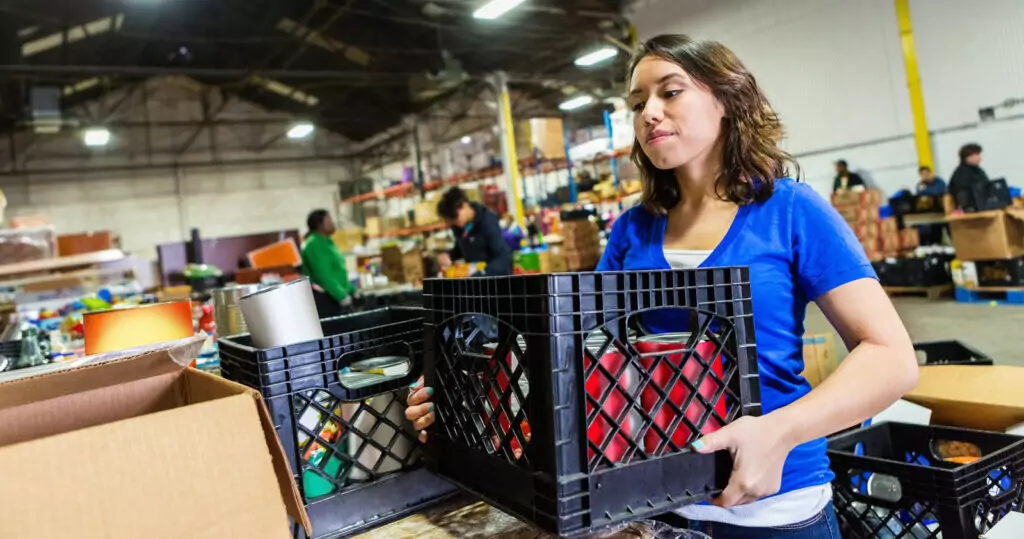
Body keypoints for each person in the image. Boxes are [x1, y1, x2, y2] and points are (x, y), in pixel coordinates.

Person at [408, 34, 918, 537]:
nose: (649, 112)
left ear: (726, 100)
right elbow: (581, 357)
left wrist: (778, 432)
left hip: (773, 509)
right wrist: (465, 399)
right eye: (637, 103)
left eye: (670, 92)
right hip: (650, 505)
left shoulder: (788, 211)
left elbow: (891, 358)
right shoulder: (635, 229)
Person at [435, 187, 512, 276]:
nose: (454, 223)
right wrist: (449, 256)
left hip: (494, 279)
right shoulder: (458, 226)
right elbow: (461, 249)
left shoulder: (487, 221)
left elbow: (504, 257)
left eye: (455, 218)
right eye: (451, 221)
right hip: (475, 279)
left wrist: (483, 273)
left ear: (464, 205)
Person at [301, 209, 356, 317]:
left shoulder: (327, 242)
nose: (333, 223)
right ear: (319, 224)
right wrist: (342, 296)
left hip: (336, 296)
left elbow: (337, 272)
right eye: (329, 220)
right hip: (327, 299)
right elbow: (323, 275)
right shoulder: (314, 244)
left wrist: (351, 290)